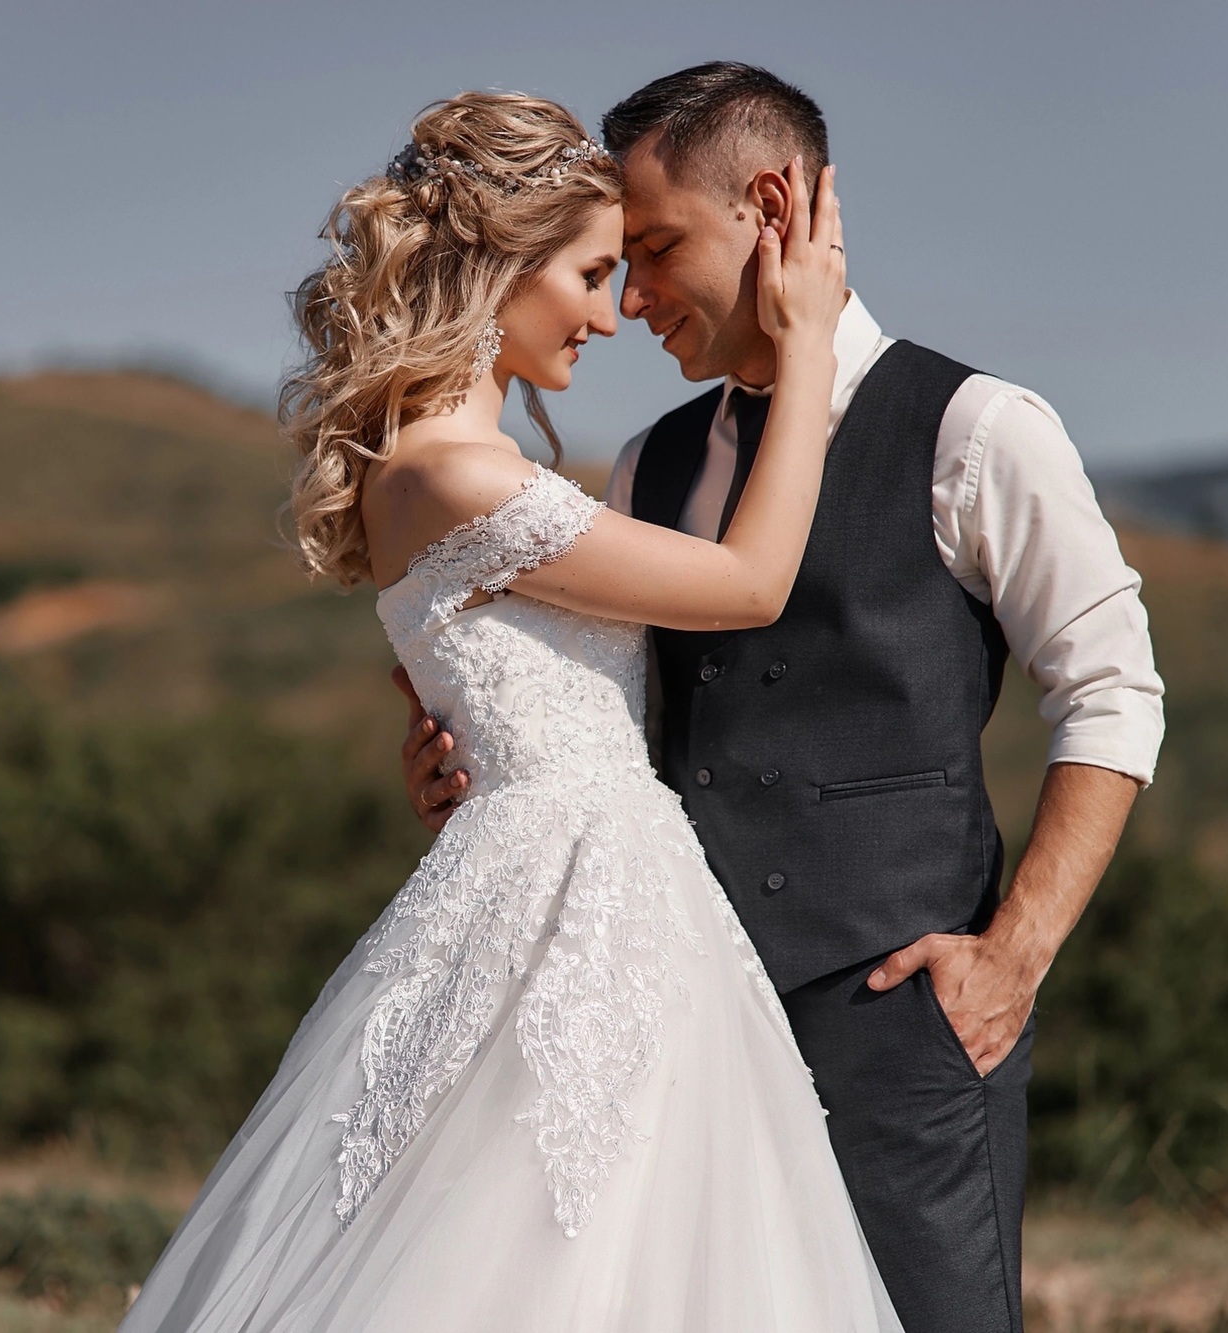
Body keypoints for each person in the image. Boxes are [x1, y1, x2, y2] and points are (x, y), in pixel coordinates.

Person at [398, 63, 1167, 1332]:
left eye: (652, 249)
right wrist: (470, 764)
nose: (630, 296)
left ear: (767, 206)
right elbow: (626, 732)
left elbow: (1111, 694)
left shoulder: (975, 429)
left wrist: (1009, 959)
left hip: (903, 1029)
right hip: (677, 1032)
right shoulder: (647, 462)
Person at [121, 90, 903, 1332]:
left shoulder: (445, 470)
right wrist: (806, 344)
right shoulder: (454, 471)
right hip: (569, 886)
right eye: (592, 272)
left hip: (565, 877)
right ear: (503, 263)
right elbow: (747, 586)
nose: (611, 311)